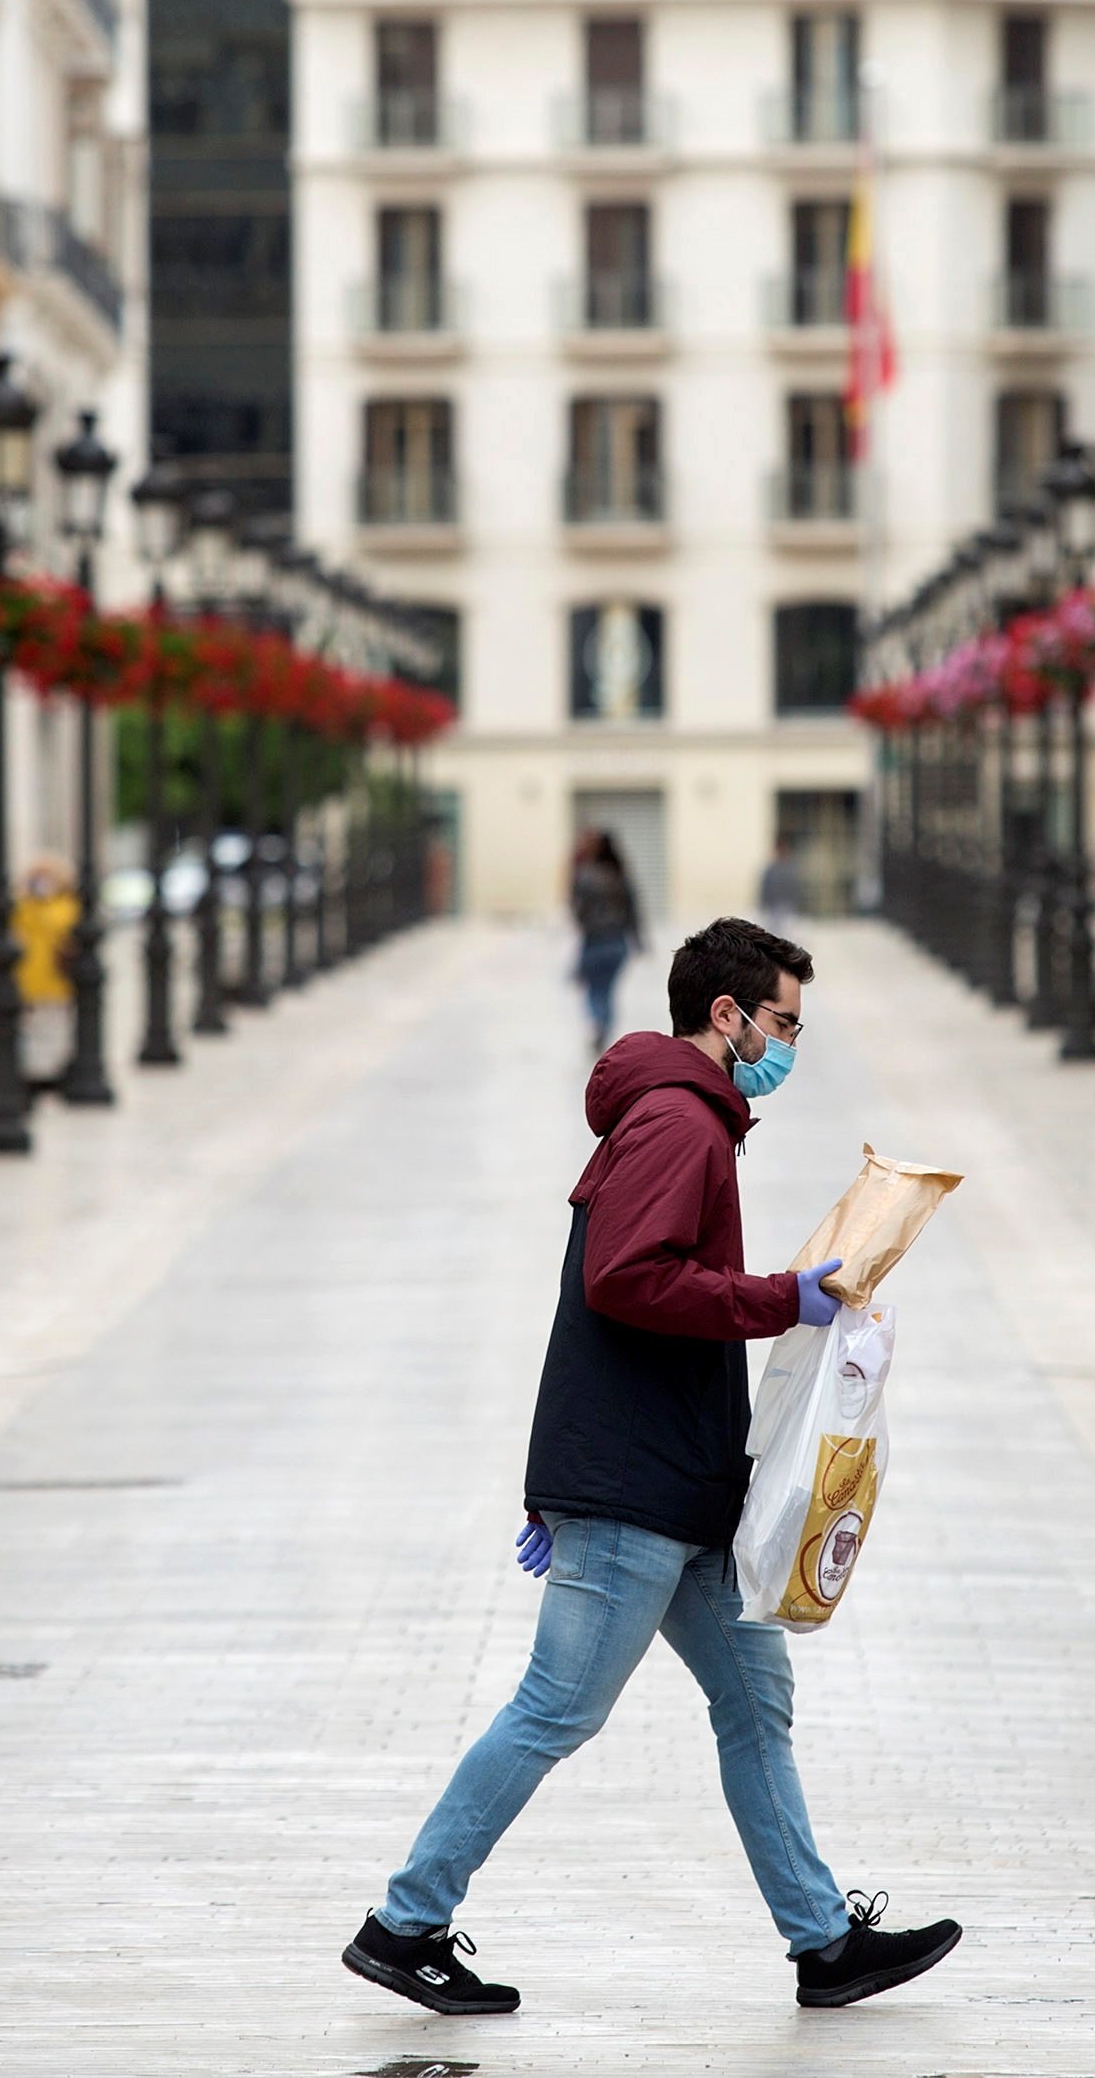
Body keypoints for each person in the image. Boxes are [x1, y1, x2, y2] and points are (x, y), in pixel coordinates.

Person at [344, 915, 963, 2018]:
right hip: (635, 1490)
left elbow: (614, 1290)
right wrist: (786, 1296)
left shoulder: (675, 1113)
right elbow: (627, 1279)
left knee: (753, 1701)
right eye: (781, 1021)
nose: (789, 1043)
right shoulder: (681, 1122)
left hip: (675, 1485)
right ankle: (406, 1921)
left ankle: (823, 1943)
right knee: (557, 1710)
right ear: (725, 1015)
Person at [566, 828, 641, 1050]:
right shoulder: (621, 875)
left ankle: (597, 1020)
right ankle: (605, 1026)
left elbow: (577, 908)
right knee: (608, 989)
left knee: (593, 988)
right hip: (618, 943)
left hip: (594, 941)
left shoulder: (585, 875)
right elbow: (633, 910)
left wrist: (584, 924)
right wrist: (638, 939)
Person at [12, 858, 82, 1092]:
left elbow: (61, 927)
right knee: (31, 1028)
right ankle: (33, 1074)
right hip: (28, 978)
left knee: (54, 1026)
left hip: (56, 979)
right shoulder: (24, 906)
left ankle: (53, 1074)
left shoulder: (66, 905)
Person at [756, 833, 806, 931]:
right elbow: (765, 890)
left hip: (789, 910)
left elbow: (797, 889)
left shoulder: (793, 868)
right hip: (772, 910)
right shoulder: (771, 869)